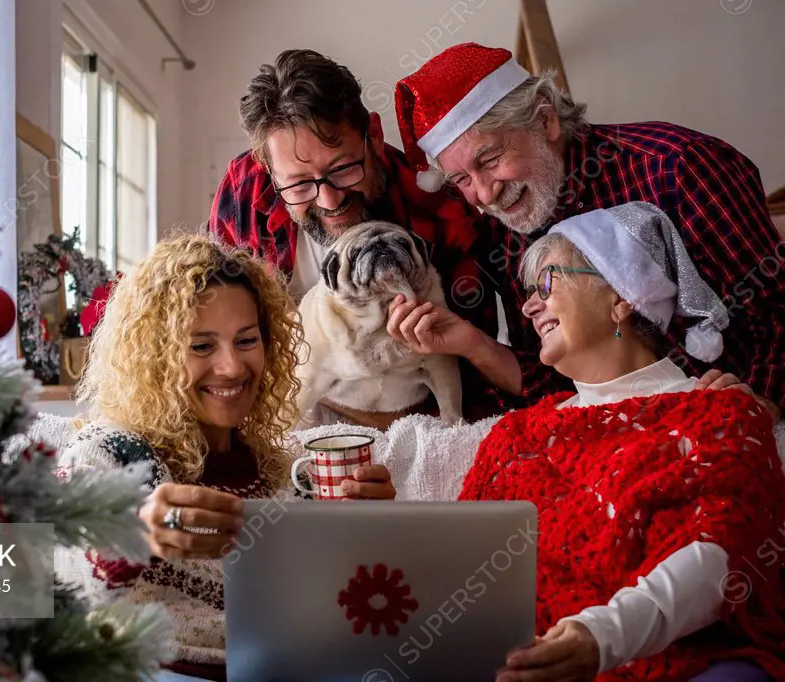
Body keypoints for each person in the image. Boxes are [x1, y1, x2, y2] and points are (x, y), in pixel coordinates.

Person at [448, 202, 785, 682]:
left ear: (621, 296)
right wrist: (375, 511)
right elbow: (455, 561)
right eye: (528, 291)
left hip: (676, 661)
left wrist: (599, 638)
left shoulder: (719, 413)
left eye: (546, 283)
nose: (528, 305)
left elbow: (717, 552)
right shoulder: (514, 437)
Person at [55, 235, 396, 681]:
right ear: (155, 357)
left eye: (246, 340)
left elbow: (334, 615)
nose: (232, 367)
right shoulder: (110, 451)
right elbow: (47, 571)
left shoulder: (288, 475)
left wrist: (376, 536)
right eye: (201, 346)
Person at [388, 42, 785, 420]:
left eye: (490, 158)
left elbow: (777, 315)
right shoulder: (500, 228)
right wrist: (471, 343)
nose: (486, 194)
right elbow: (556, 384)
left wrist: (760, 404)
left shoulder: (682, 168)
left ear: (545, 119)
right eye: (462, 179)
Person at [207, 48, 505, 423]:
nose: (329, 200)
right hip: (285, 411)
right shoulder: (245, 192)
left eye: (344, 168)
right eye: (298, 185)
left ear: (375, 137)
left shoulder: (441, 213)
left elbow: (473, 371)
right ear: (268, 172)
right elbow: (209, 329)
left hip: (413, 417)